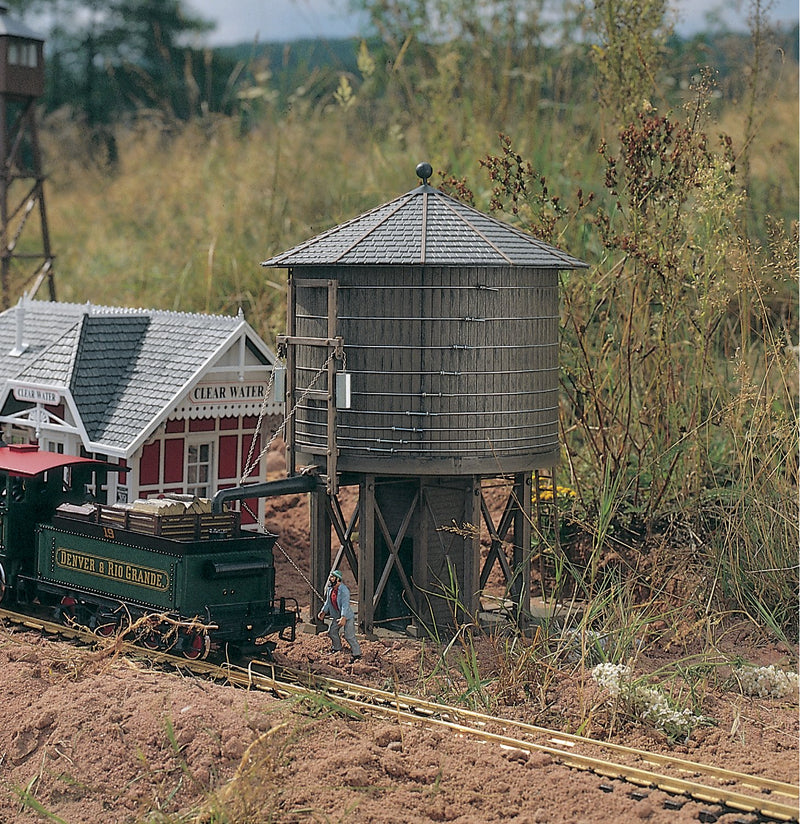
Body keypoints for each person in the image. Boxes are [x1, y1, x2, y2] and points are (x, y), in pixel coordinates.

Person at [317, 570, 361, 662]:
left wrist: (343, 617)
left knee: (349, 636)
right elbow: (328, 602)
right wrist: (323, 611)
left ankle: (357, 653)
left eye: (332, 577)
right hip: (337, 616)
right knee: (332, 632)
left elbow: (345, 605)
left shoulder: (344, 590)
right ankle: (337, 647)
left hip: (347, 617)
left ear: (338, 579)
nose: (330, 578)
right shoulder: (330, 589)